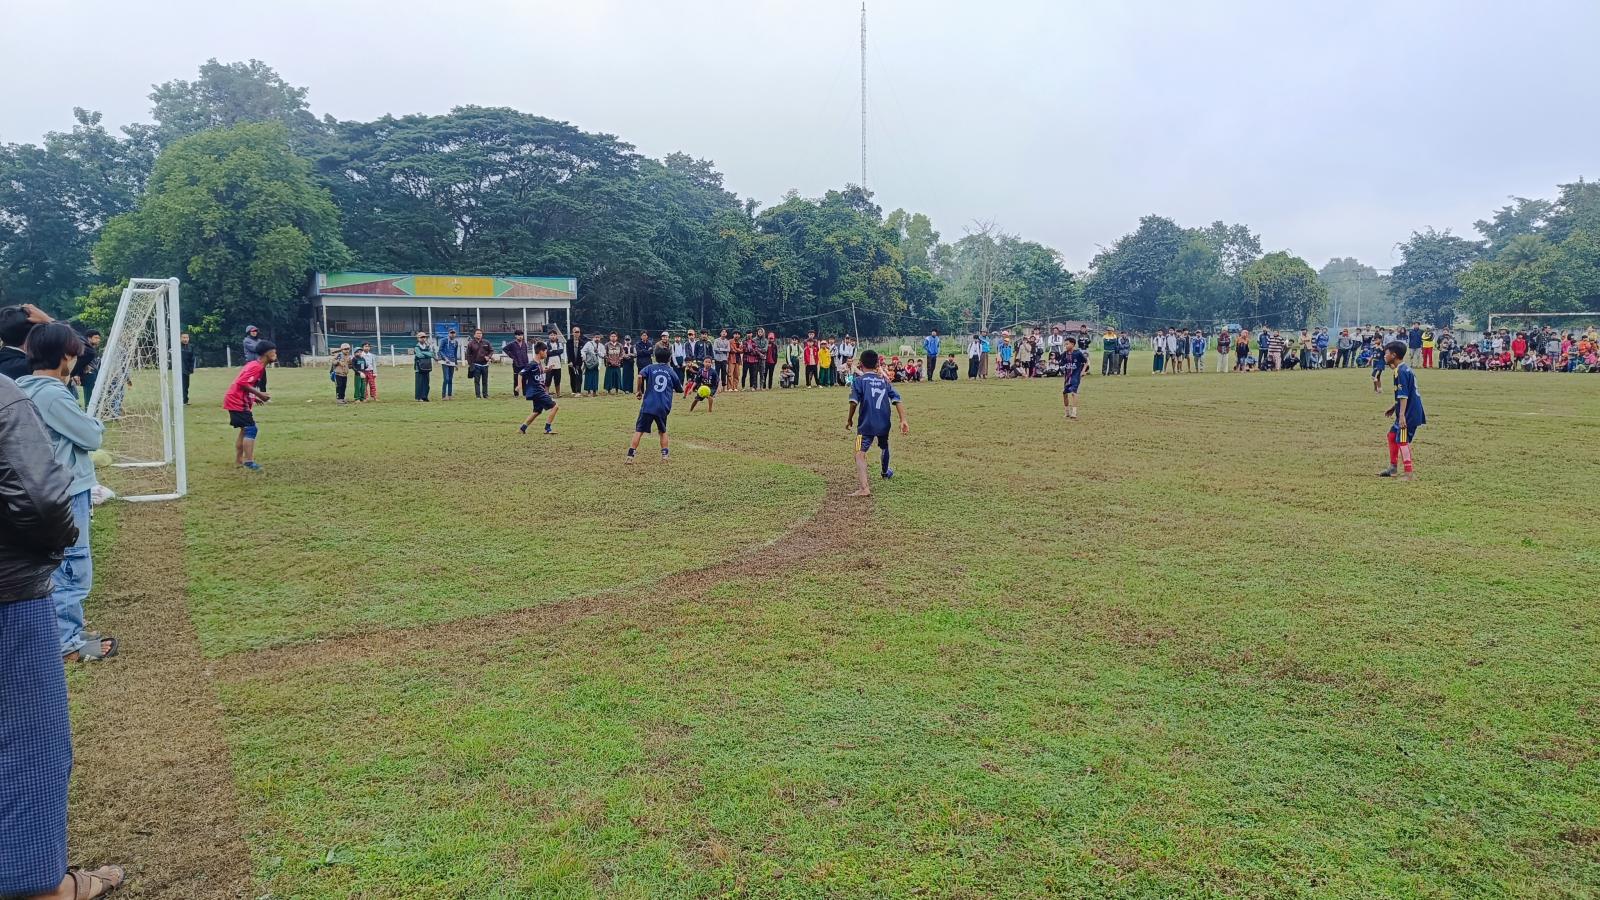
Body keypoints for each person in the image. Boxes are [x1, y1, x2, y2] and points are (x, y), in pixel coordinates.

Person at [2, 363, 130, 900]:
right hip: (11, 591)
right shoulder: (23, 395)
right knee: (29, 736)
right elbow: (43, 497)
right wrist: (52, 549)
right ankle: (39, 882)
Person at [16, 322, 115, 664]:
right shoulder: (52, 394)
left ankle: (60, 631)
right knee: (72, 566)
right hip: (66, 492)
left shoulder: (21, 387)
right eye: (74, 354)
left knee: (52, 566)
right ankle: (68, 645)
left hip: (39, 491)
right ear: (65, 357)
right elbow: (91, 436)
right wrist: (95, 424)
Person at [845, 349, 908, 497]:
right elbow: (897, 400)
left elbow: (853, 403)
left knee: (859, 453)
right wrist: (903, 420)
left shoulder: (859, 381)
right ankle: (885, 471)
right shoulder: (884, 381)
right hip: (884, 423)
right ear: (877, 365)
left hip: (866, 425)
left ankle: (864, 488)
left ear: (860, 364)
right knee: (884, 446)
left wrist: (849, 419)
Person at [1379, 340, 1426, 479]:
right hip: (1406, 410)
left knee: (1402, 440)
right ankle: (1393, 468)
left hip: (1409, 413)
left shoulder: (1401, 372)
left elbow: (1404, 395)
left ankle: (1409, 473)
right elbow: (1405, 393)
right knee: (1392, 435)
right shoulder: (1402, 369)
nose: (1384, 356)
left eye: (1386, 353)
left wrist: (1402, 415)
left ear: (1393, 355)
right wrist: (1394, 407)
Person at [225, 340, 274, 470]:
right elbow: (242, 382)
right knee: (251, 429)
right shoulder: (256, 367)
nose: (275, 354)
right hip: (237, 402)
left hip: (236, 399)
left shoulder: (254, 364)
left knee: (245, 430)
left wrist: (253, 397)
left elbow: (243, 383)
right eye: (273, 352)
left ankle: (239, 460)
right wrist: (259, 394)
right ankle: (249, 461)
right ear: (266, 353)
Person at [629, 346, 682, 463]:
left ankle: (630, 455)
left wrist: (639, 391)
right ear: (669, 358)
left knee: (639, 430)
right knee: (662, 431)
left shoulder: (650, 367)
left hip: (648, 405)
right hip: (662, 406)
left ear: (655, 357)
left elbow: (640, 376)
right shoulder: (670, 371)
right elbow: (679, 388)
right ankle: (665, 456)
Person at [0, 304, 52, 380]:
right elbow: (69, 353)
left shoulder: (7, 362)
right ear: (32, 335)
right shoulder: (29, 367)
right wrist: (50, 321)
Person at [518, 342, 559, 435]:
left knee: (537, 411)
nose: (546, 354)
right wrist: (519, 385)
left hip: (537, 390)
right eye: (545, 352)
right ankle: (548, 429)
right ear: (541, 351)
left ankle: (522, 428)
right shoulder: (532, 364)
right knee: (555, 406)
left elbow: (537, 373)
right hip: (537, 391)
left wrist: (546, 370)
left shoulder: (538, 363)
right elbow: (521, 374)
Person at [1060, 336, 1089, 420]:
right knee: (1064, 393)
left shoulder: (1078, 353)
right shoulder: (1064, 354)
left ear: (1072, 344)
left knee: (1073, 392)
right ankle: (1067, 412)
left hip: (1075, 376)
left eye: (1067, 344)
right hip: (1067, 377)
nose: (1065, 346)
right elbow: (1062, 364)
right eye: (1065, 344)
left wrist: (1083, 371)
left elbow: (1086, 362)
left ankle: (1074, 412)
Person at [467, 328, 493, 399]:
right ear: (474, 335)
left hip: (485, 365)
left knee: (485, 381)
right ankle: (478, 396)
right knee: (477, 381)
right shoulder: (471, 343)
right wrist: (470, 364)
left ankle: (485, 395)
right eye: (477, 333)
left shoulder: (486, 342)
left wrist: (489, 356)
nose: (479, 335)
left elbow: (491, 351)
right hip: (476, 365)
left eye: (480, 333)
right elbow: (468, 355)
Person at [242, 324, 267, 392]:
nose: (254, 332)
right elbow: (255, 348)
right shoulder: (246, 341)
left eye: (255, 331)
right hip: (252, 364)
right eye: (252, 331)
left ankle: (263, 395)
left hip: (260, 363)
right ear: (249, 332)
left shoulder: (259, 340)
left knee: (263, 381)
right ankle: (251, 396)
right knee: (253, 381)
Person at [438, 328, 459, 400]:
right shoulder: (444, 340)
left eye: (453, 333)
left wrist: (456, 363)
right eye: (451, 333)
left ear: (455, 334)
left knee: (450, 379)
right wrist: (445, 358)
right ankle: (443, 396)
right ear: (448, 333)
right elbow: (440, 350)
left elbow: (455, 353)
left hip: (452, 361)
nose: (452, 334)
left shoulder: (456, 342)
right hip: (445, 362)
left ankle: (450, 395)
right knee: (446, 378)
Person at [412, 331, 434, 402]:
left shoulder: (428, 346)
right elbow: (419, 355)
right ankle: (418, 397)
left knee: (426, 383)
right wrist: (427, 354)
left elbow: (432, 354)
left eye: (424, 337)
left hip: (427, 367)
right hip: (419, 367)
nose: (423, 338)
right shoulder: (416, 347)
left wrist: (423, 352)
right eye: (421, 337)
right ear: (418, 338)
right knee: (419, 383)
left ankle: (425, 396)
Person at [566, 325, 585, 397]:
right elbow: (568, 352)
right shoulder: (569, 342)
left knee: (579, 376)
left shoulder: (582, 342)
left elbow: (583, 353)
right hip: (571, 362)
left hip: (579, 362)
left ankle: (578, 391)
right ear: (572, 333)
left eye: (578, 332)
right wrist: (570, 361)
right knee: (572, 376)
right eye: (575, 332)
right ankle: (573, 391)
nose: (577, 333)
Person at [178, 332, 195, 404]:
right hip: (179, 369)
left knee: (186, 385)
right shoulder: (177, 346)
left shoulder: (191, 347)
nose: (185, 339)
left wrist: (191, 368)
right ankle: (180, 400)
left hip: (186, 369)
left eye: (187, 337)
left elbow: (192, 359)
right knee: (181, 385)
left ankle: (185, 400)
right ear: (180, 338)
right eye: (184, 337)